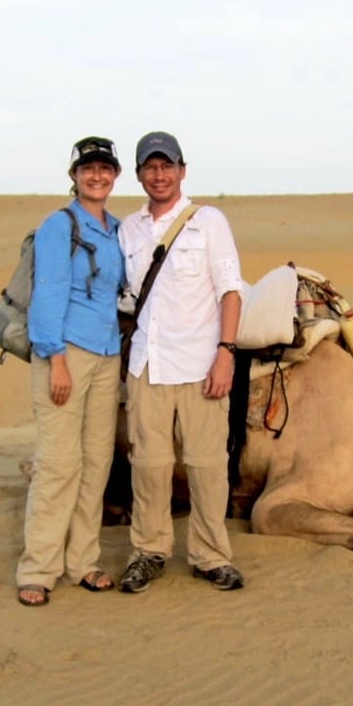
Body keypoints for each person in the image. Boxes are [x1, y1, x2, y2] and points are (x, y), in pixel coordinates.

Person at [117, 131, 246, 593]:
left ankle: (211, 556)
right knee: (148, 465)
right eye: (150, 167)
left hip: (200, 364)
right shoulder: (128, 229)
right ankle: (148, 551)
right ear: (139, 175)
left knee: (208, 466)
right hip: (146, 365)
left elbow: (230, 291)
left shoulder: (208, 222)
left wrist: (225, 354)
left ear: (182, 170)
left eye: (166, 165)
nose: (159, 174)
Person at [15, 136, 126, 607]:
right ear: (74, 175)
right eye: (88, 169)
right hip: (66, 354)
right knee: (59, 464)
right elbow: (48, 293)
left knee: (97, 463)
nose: (96, 176)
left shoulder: (118, 229)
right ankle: (38, 568)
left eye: (104, 168)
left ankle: (83, 561)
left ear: (115, 175)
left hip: (107, 355)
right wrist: (54, 358)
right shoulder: (59, 226)